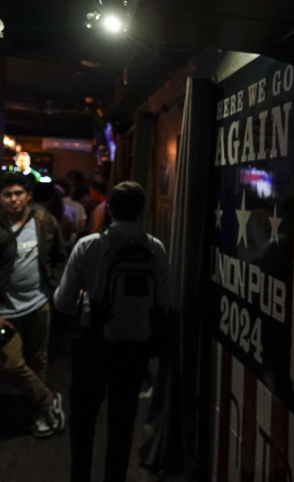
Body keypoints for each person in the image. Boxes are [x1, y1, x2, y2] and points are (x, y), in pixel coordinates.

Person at [54, 181, 171, 482]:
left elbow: (64, 303)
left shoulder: (90, 246)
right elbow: (166, 301)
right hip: (134, 347)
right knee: (123, 421)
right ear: (141, 210)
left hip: (94, 343)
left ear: (110, 209)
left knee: (83, 419)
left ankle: (80, 475)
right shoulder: (154, 248)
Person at [0, 172, 67, 437]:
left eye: (19, 194)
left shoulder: (43, 221)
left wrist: (54, 288)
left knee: (38, 360)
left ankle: (38, 413)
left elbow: (59, 256)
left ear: (28, 195)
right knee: (10, 363)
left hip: (39, 305)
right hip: (5, 310)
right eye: (7, 195)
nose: (14, 200)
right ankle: (48, 401)